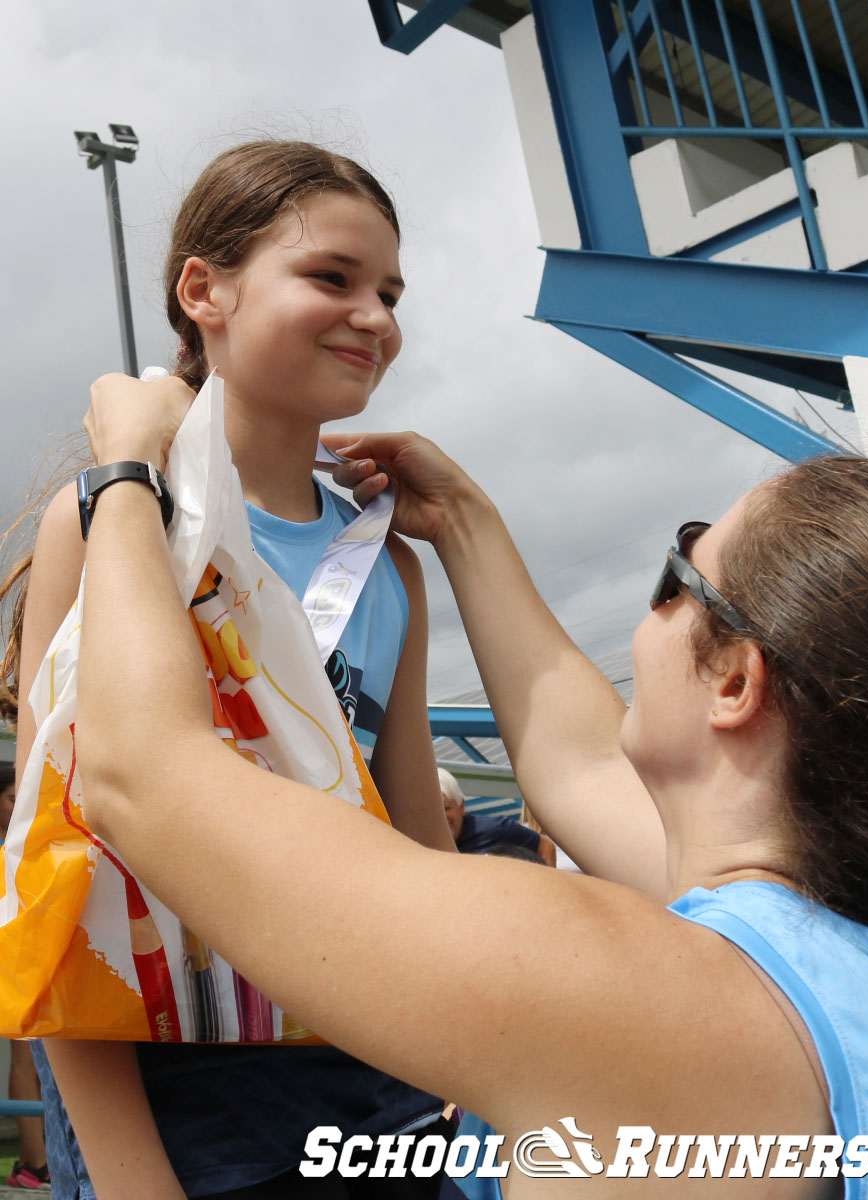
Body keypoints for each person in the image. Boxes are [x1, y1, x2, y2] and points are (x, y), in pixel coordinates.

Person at [73, 375, 868, 1195]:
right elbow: (582, 764)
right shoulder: (844, 949)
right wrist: (463, 523)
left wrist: (127, 474)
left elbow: (142, 775)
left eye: (676, 575)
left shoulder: (623, 988)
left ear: (733, 685)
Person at [4, 141, 456, 1199]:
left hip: (378, 1066)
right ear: (202, 290)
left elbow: (425, 850)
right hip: (173, 1084)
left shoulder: (389, 562)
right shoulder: (112, 521)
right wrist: (125, 1169)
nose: (377, 316)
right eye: (333, 278)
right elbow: (57, 872)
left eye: (389, 291)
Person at [0, 765, 50, 1190]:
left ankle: (33, 1159)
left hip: (26, 951)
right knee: (25, 1054)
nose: (17, 804)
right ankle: (35, 1163)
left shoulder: (30, 837)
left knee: (37, 1054)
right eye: (10, 798)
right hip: (11, 955)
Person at [438, 769, 556, 865]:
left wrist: (548, 888)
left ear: (462, 806)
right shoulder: (421, 844)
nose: (441, 818)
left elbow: (545, 847)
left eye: (446, 808)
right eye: (435, 811)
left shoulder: (494, 828)